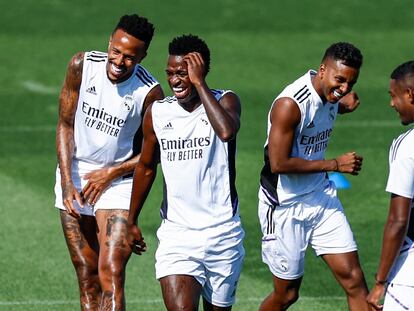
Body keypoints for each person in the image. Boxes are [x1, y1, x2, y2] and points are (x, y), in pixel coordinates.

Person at [126, 34, 245, 310]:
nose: (175, 80)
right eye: (170, 73)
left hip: (223, 233)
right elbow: (145, 166)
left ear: (201, 72)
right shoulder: (158, 113)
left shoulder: (226, 101)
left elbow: (226, 131)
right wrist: (131, 220)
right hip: (178, 236)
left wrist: (199, 83)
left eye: (183, 73)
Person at [54, 14, 164, 310]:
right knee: (87, 276)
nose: (119, 61)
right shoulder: (81, 66)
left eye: (130, 57)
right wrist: (66, 183)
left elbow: (155, 152)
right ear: (109, 43)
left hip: (119, 183)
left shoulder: (149, 93)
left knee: (111, 272)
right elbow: (65, 124)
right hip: (75, 175)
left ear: (143, 55)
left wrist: (112, 172)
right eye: (115, 51)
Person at [258, 42, 370, 310]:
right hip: (284, 205)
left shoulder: (331, 95)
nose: (343, 89)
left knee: (355, 281)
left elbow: (329, 101)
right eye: (339, 80)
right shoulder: (290, 105)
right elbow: (278, 163)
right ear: (322, 70)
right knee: (287, 294)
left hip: (321, 198)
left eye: (350, 84)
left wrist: (341, 104)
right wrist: (334, 164)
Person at [367, 61, 414, 310]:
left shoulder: (407, 147)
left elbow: (398, 221)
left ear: (410, 95)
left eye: (394, 96)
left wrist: (380, 282)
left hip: (409, 278)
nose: (391, 103)